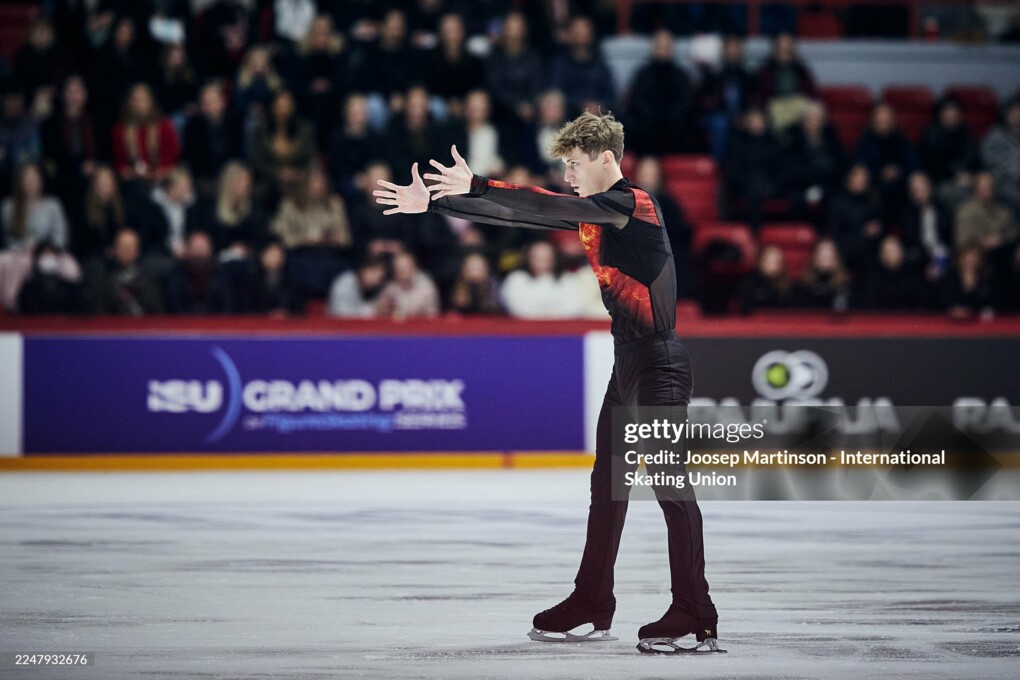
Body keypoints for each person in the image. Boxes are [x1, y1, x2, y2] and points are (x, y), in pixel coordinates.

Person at [374, 112, 722, 653]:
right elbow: (525, 216)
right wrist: (441, 205)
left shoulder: (633, 205)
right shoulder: (597, 214)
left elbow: (546, 205)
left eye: (575, 164)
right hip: (628, 365)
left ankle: (696, 613)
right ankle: (592, 601)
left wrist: (480, 183)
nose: (568, 175)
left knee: (669, 486)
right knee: (607, 489)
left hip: (660, 364)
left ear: (606, 159)